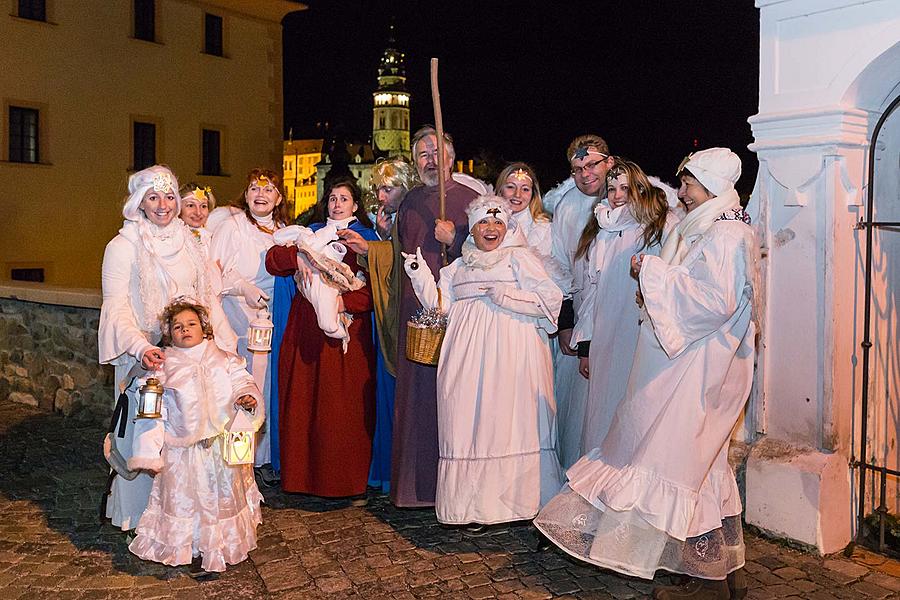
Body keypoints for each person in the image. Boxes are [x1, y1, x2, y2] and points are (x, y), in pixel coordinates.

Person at [535, 148, 756, 600]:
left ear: (710, 185)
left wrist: (651, 270)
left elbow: (717, 302)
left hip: (700, 367)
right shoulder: (709, 228)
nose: (682, 192)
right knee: (693, 464)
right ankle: (714, 571)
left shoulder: (727, 235)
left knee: (671, 462)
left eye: (689, 183)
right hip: (686, 361)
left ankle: (692, 577)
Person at [403, 195, 563, 527]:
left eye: (497, 222)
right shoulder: (458, 267)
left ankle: (520, 503)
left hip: (513, 355)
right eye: (483, 223)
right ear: (472, 228)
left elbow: (551, 300)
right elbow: (439, 306)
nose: (491, 229)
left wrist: (509, 297)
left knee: (508, 422)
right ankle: (473, 508)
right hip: (467, 358)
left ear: (507, 227)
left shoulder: (520, 260)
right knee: (469, 423)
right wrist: (418, 274)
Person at [340, 126, 477, 508]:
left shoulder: (473, 199)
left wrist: (459, 240)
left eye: (437, 152)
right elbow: (396, 258)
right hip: (413, 316)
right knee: (416, 397)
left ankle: (454, 490)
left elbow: (491, 252)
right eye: (423, 154)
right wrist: (373, 247)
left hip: (457, 312)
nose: (431, 160)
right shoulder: (411, 201)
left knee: (453, 396)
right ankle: (415, 489)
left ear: (452, 156)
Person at [99, 165, 237, 533]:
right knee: (144, 436)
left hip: (190, 359)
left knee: (188, 442)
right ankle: (141, 517)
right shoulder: (123, 246)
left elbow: (206, 298)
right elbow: (116, 306)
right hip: (145, 358)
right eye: (153, 197)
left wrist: (224, 344)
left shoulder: (190, 242)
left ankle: (181, 520)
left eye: (169, 197)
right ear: (139, 202)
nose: (163, 205)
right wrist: (141, 346)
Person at [127, 299, 263, 576]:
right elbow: (152, 412)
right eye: (177, 327)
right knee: (187, 502)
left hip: (219, 449)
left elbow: (242, 381)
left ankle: (221, 545)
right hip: (182, 454)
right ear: (169, 334)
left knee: (219, 500)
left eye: (191, 324)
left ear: (204, 328)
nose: (185, 330)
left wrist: (245, 397)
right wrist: (149, 451)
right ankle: (187, 547)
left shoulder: (224, 359)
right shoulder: (163, 368)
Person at [266, 176, 377, 502]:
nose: (337, 203)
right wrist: (300, 257)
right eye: (332, 198)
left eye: (344, 198)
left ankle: (344, 483)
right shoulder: (310, 233)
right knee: (305, 404)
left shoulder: (366, 239)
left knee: (342, 410)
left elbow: (376, 290)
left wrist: (344, 301)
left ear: (355, 205)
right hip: (306, 331)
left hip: (347, 336)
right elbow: (273, 260)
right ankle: (302, 480)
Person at [572, 158, 678, 449]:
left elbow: (673, 272)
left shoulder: (657, 225)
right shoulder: (602, 230)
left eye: (625, 188)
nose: (617, 196)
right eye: (611, 188)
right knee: (604, 403)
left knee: (635, 402)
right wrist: (586, 347)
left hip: (638, 326)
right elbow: (593, 291)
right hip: (606, 331)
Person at [208, 168, 287, 480]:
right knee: (241, 383)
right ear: (246, 193)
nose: (260, 195)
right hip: (238, 316)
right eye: (255, 188)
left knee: (267, 384)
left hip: (272, 315)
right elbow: (215, 268)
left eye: (268, 191)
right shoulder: (233, 226)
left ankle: (262, 458)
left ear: (278, 198)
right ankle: (239, 457)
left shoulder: (283, 230)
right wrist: (243, 287)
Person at [551, 135, 615, 469]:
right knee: (579, 408)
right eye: (577, 168)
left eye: (591, 164)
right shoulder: (567, 207)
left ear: (610, 163)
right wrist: (566, 321)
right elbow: (559, 266)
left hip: (620, 316)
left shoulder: (634, 200)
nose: (585, 174)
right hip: (581, 315)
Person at [365, 158, 417, 493]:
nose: (383, 196)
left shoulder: (411, 216)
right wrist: (381, 239)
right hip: (391, 314)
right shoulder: (391, 219)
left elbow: (404, 260)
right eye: (379, 189)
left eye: (389, 188)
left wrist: (371, 248)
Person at [179, 182, 216, 248]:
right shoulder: (171, 239)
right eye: (191, 205)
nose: (198, 213)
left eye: (203, 206)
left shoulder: (212, 239)